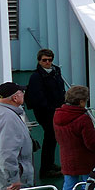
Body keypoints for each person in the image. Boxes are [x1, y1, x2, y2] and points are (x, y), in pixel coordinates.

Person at [53, 86, 95, 190]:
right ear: (81, 102)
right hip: (84, 159)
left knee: (68, 184)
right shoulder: (83, 119)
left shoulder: (57, 115)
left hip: (66, 156)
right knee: (87, 185)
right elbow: (91, 144)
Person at [25, 48, 66, 177]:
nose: (47, 62)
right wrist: (51, 110)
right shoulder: (36, 77)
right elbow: (38, 98)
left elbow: (60, 89)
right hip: (45, 113)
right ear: (39, 61)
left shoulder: (56, 71)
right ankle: (45, 169)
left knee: (52, 138)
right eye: (44, 60)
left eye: (50, 60)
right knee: (50, 137)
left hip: (56, 110)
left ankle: (50, 164)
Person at [0, 82, 33, 190]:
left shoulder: (3, 113)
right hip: (11, 186)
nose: (23, 94)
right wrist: (13, 179)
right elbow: (6, 152)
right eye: (21, 92)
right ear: (15, 98)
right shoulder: (8, 118)